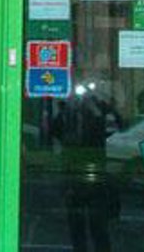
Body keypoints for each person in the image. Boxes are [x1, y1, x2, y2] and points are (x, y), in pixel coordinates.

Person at [50, 81, 122, 252]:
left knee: (98, 222)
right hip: (74, 170)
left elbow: (117, 124)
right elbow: (54, 130)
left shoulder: (99, 110)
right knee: (76, 221)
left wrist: (99, 104)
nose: (82, 100)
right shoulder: (68, 112)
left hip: (94, 171)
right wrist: (66, 108)